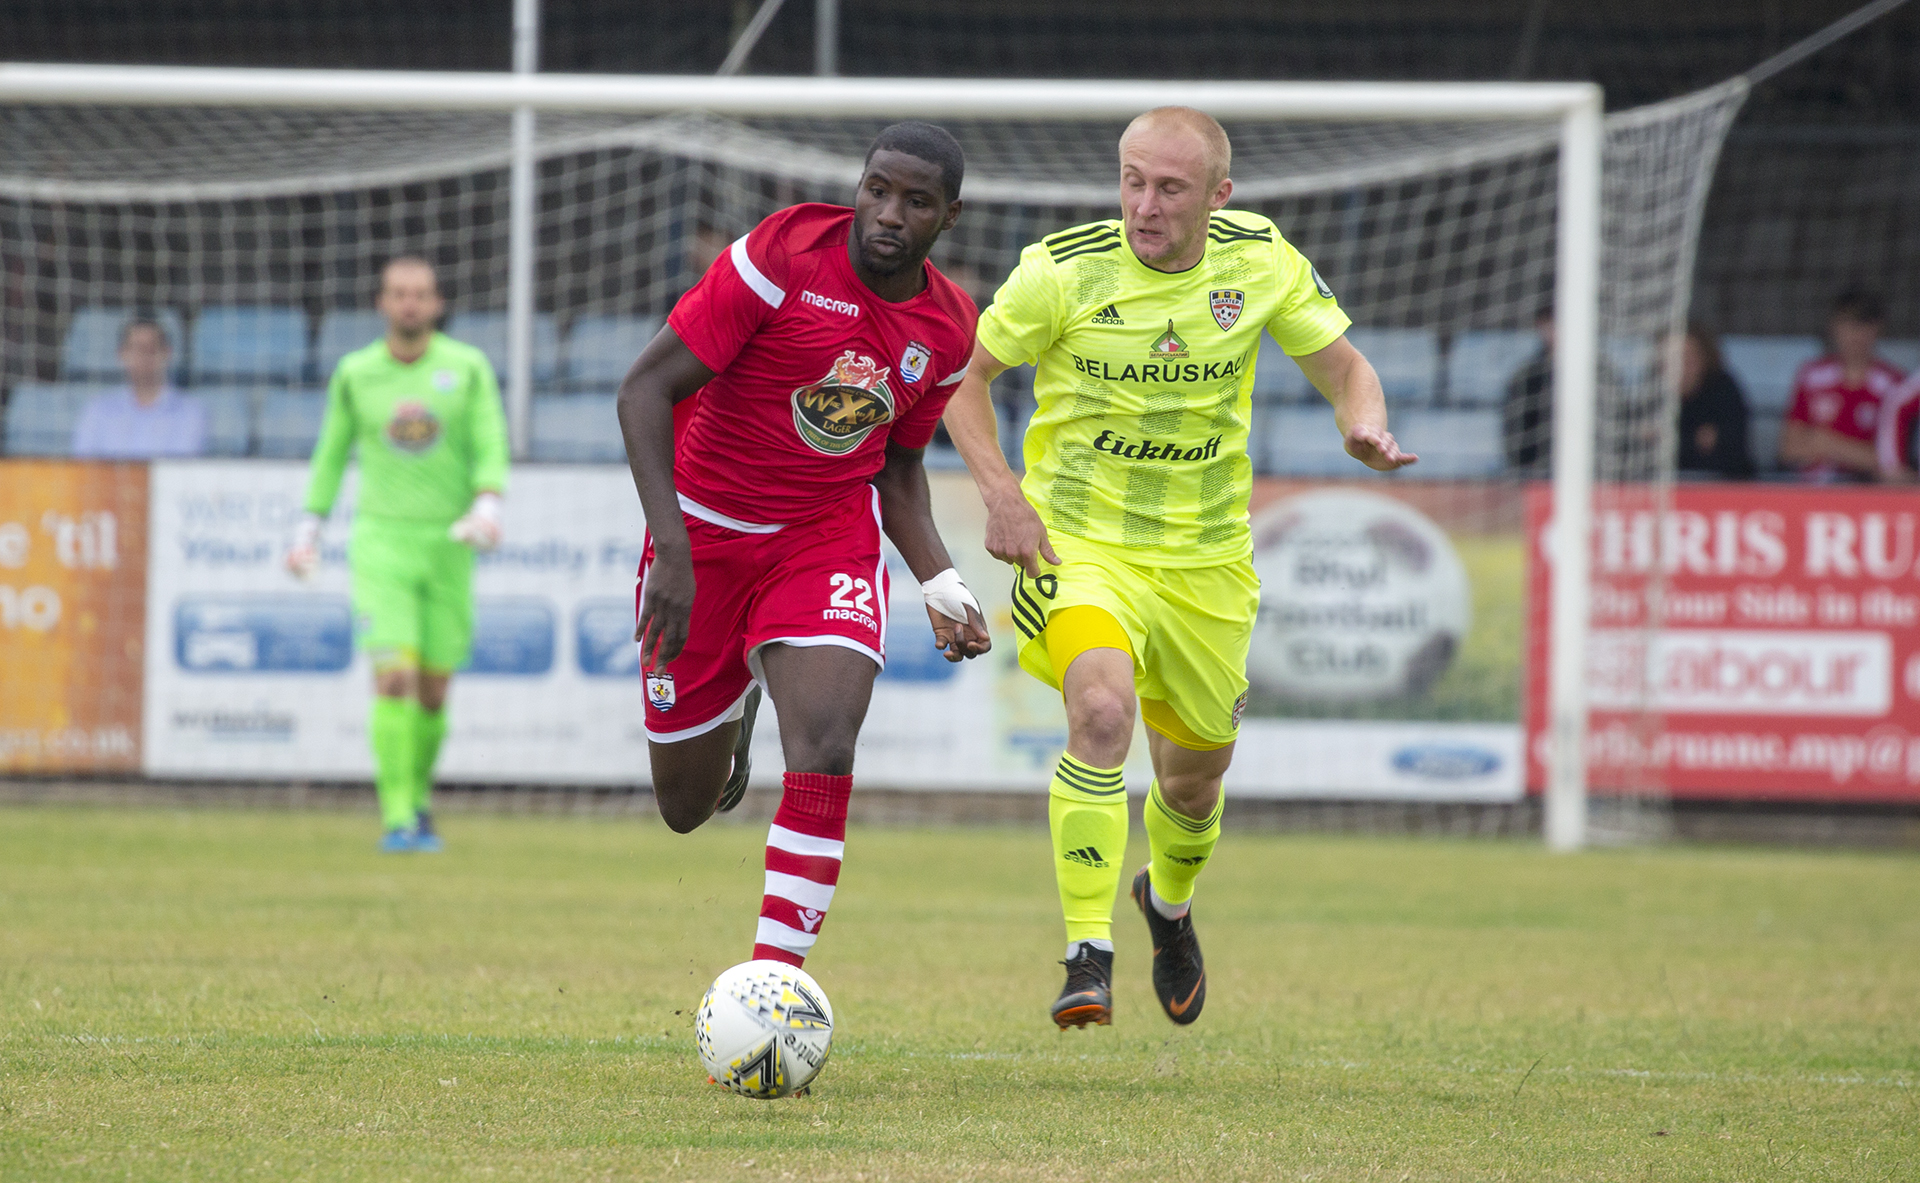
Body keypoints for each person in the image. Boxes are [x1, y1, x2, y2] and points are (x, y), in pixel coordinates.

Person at [942, 107, 1415, 1030]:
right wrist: (1001, 491)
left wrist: (1363, 422)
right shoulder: (1063, 270)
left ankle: (1165, 902)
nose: (1144, 205)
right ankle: (1087, 954)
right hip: (1079, 547)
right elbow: (963, 375)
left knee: (1194, 780)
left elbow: (1349, 367)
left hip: (1207, 565)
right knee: (1103, 708)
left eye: (1168, 188)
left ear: (1218, 196)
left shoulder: (1259, 258)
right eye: (1131, 181)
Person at [617, 122, 991, 970]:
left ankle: (775, 985)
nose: (890, 213)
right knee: (687, 804)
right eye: (878, 189)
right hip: (702, 535)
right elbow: (643, 390)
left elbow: (897, 473)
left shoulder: (947, 328)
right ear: (859, 186)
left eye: (917, 201)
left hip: (822, 539)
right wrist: (672, 551)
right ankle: (740, 703)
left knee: (824, 741)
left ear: (949, 217)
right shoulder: (781, 254)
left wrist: (941, 581)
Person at [285, 257, 509, 853]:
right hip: (381, 545)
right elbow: (331, 455)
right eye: (398, 293)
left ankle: (419, 800)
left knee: (433, 691)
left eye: (420, 294)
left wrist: (489, 504)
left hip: (449, 545)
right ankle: (397, 818)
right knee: (393, 681)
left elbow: (490, 442)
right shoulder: (356, 374)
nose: (409, 303)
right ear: (382, 303)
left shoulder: (466, 369)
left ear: (436, 304)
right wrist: (309, 527)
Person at [1779, 288, 1904, 482]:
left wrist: (1825, 442)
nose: (1855, 334)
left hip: (1866, 493)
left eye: (1863, 325)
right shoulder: (1812, 375)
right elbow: (1789, 449)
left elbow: (1890, 461)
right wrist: (1855, 452)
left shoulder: (1894, 385)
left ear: (1878, 328)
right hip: (1810, 491)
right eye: (1848, 324)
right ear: (1834, 327)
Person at [70, 318, 208, 458]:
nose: (144, 355)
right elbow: (82, 468)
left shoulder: (191, 412)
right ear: (121, 354)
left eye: (152, 348)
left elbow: (182, 470)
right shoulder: (98, 411)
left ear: (167, 353)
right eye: (137, 348)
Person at [1673, 322, 1755, 479]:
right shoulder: (1650, 394)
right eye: (1672, 358)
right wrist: (1695, 441)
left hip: (1724, 489)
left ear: (1704, 357)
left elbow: (1732, 449)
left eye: (1688, 358)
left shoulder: (1723, 389)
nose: (1681, 366)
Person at [1501, 306, 1555, 473]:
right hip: (1538, 475)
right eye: (1550, 324)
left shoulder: (1603, 373)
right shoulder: (1526, 377)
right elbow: (1514, 431)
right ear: (1540, 326)